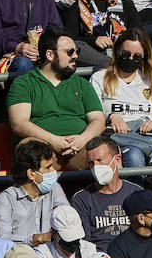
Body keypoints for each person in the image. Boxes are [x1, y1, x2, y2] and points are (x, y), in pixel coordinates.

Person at [7, 28, 107, 169]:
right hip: (42, 148)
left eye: (76, 51)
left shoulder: (82, 84)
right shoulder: (24, 83)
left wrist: (81, 139)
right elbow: (19, 123)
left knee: (107, 151)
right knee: (30, 150)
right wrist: (54, 141)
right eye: (70, 52)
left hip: (79, 146)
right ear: (50, 54)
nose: (76, 56)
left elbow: (98, 120)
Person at [0, 138, 68, 246]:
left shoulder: (54, 188)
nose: (53, 171)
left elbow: (67, 217)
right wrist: (37, 239)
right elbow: (2, 239)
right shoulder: (5, 200)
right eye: (48, 167)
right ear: (32, 174)